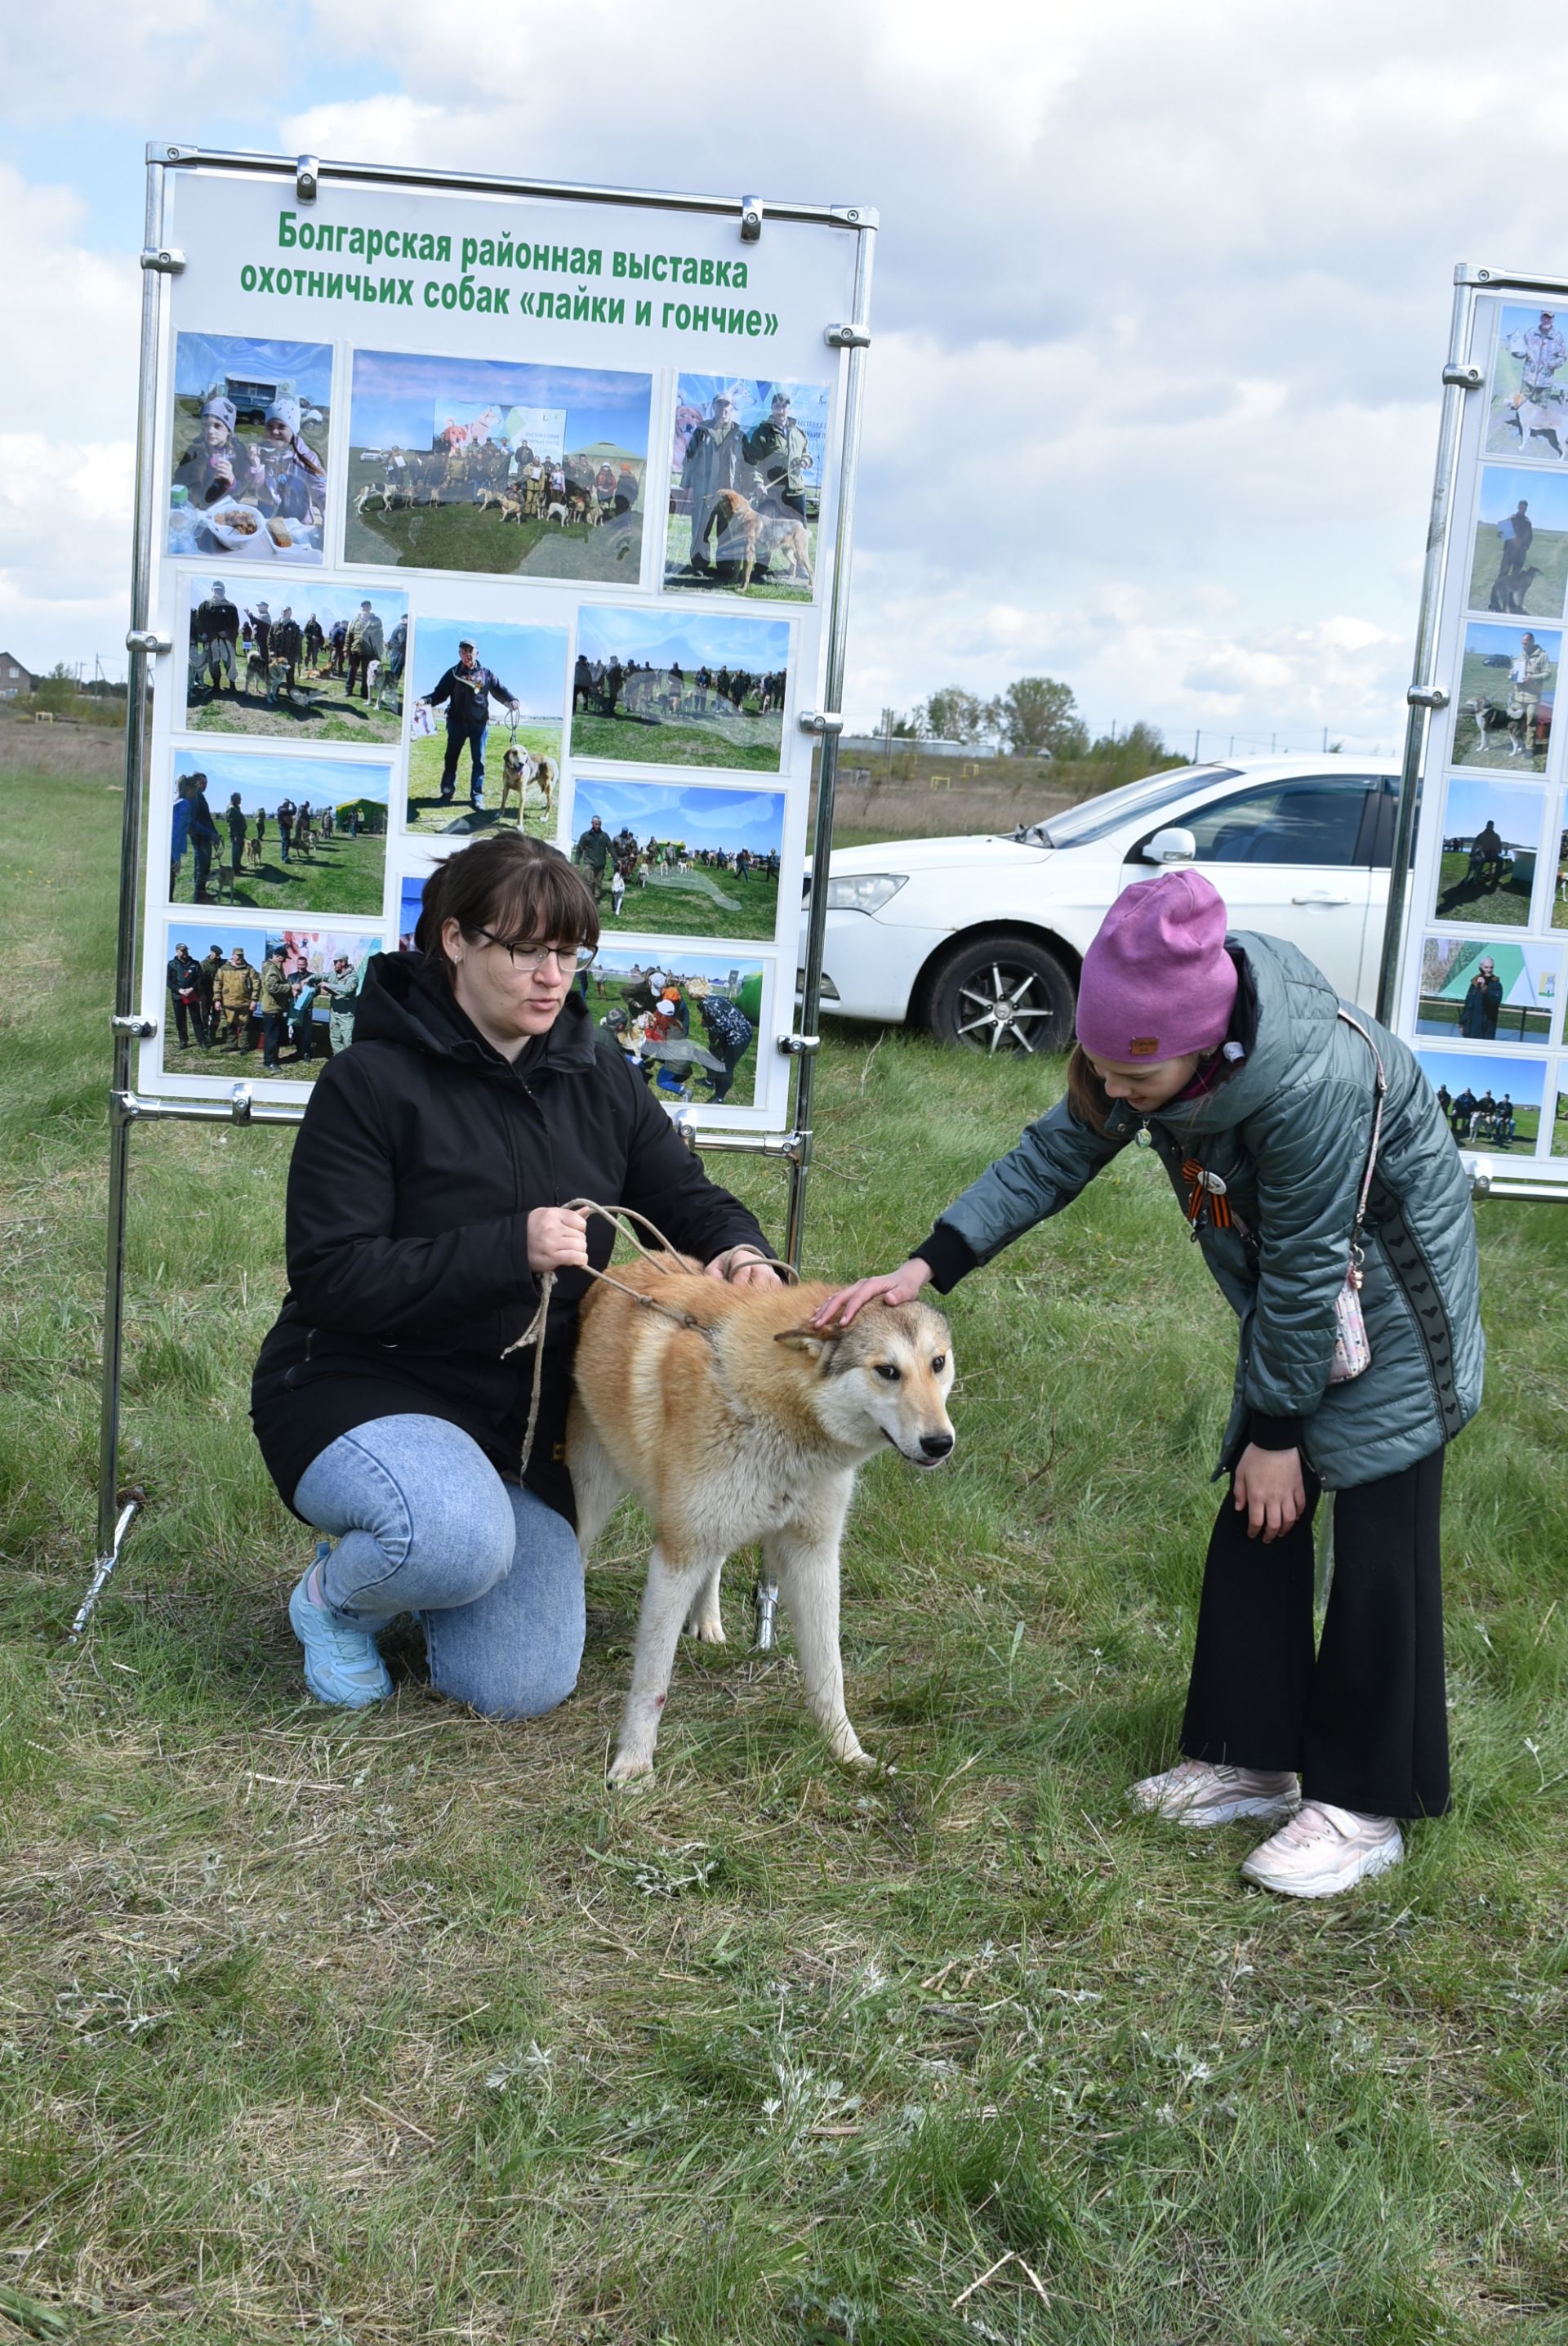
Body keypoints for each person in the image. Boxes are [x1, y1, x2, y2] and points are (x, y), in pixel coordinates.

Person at [817, 872, 1482, 1901]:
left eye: (1135, 1077)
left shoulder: (1313, 1085)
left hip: (1394, 1295)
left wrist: (1276, 1429)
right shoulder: (1147, 1052)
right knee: (1262, 1510)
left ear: (1206, 1045)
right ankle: (1246, 1758)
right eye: (1103, 1067)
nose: (1114, 1095)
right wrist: (929, 1264)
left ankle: (1363, 1802)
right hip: (1307, 1302)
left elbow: (1310, 1270)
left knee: (1379, 1521)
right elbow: (1052, 1155)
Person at [250, 832, 782, 1717]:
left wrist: (742, 1252)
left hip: (517, 1429)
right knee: (450, 1535)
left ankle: (439, 1543)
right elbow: (333, 1275)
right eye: (525, 950)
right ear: (454, 940)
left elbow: (684, 1195)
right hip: (358, 1390)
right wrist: (508, 1246)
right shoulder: (366, 1081)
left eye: (569, 953)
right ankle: (339, 1598)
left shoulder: (598, 1073)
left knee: (519, 1687)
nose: (551, 976)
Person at [425, 640, 519, 807]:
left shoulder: (487, 674)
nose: (467, 654)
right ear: (459, 654)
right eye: (463, 651)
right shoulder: (453, 673)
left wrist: (512, 700)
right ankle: (446, 794)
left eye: (471, 650)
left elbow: (500, 690)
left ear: (477, 653)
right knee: (451, 760)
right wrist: (425, 700)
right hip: (456, 724)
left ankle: (477, 796)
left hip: (479, 725)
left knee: (479, 761)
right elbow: (439, 694)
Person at [680, 390, 748, 577]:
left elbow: (746, 465)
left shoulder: (739, 435)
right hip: (705, 489)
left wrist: (748, 490)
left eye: (727, 405)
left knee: (727, 530)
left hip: (730, 493)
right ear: (714, 406)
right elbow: (689, 458)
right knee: (701, 528)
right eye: (719, 404)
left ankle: (726, 568)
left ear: (732, 408)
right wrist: (687, 486)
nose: (723, 409)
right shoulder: (702, 430)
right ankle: (699, 566)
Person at [174, 396, 264, 511]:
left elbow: (242, 488)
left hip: (224, 513)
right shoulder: (195, 450)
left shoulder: (238, 453)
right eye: (206, 425)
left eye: (217, 426)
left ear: (229, 430)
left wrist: (232, 482)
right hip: (196, 511)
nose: (210, 431)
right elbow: (180, 480)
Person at [742, 389, 813, 527]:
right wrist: (758, 483)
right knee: (767, 536)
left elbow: (806, 454)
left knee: (798, 536)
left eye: (784, 406)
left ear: (789, 409)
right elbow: (753, 463)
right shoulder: (761, 433)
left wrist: (805, 460)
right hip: (772, 493)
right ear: (772, 409)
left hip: (796, 493)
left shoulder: (799, 433)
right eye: (778, 406)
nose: (781, 410)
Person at [254, 395, 326, 523]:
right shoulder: (261, 454)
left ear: (294, 430)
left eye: (281, 427)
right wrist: (255, 467)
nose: (275, 432)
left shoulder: (306, 458)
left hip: (298, 525)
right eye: (269, 426)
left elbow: (321, 489)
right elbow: (254, 488)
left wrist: (327, 508)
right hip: (266, 522)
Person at [697, 989, 754, 1104]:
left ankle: (719, 1098)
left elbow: (725, 1026)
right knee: (714, 1056)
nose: (688, 994)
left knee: (727, 1067)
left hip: (739, 1036)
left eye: (689, 991)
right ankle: (709, 1082)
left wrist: (710, 1029)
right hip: (730, 1033)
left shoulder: (709, 1004)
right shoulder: (712, 998)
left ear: (695, 992)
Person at [1508, 635, 1549, 757]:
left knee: (1531, 722)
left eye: (1525, 643)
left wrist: (1532, 677)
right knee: (1515, 722)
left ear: (1532, 641)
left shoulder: (1542, 656)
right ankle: (1519, 744)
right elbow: (1514, 669)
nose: (1523, 646)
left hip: (1533, 697)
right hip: (1519, 696)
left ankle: (1529, 748)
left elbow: (1548, 674)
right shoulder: (1521, 655)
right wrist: (1511, 674)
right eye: (1522, 643)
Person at [197, 581, 241, 694]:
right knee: (213, 663)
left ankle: (232, 685)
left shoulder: (231, 606)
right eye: (216, 589)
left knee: (230, 663)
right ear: (212, 590)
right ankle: (216, 685)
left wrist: (228, 632)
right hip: (212, 640)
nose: (218, 591)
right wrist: (204, 634)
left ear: (224, 591)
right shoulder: (205, 605)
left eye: (220, 590)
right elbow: (199, 622)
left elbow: (236, 624)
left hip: (227, 640)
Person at [214, 944, 258, 1050]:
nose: (239, 958)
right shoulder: (224, 969)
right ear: (232, 955)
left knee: (245, 1026)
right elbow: (217, 984)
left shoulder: (249, 969)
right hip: (228, 1003)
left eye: (241, 956)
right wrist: (217, 1000)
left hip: (244, 1003)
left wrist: (254, 1000)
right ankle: (231, 1045)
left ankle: (243, 1046)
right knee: (230, 1025)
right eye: (237, 955)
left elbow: (256, 984)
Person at [318, 952, 363, 1055]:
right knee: (335, 1038)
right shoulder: (334, 974)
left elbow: (347, 990)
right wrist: (310, 978)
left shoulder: (353, 977)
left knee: (348, 1039)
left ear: (343, 962)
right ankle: (339, 1059)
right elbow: (324, 975)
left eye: (335, 962)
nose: (334, 964)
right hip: (335, 1013)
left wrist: (329, 985)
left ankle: (352, 1060)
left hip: (346, 1015)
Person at [166, 942, 203, 1051]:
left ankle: (201, 1040)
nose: (185, 953)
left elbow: (200, 978)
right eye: (182, 951)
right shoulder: (171, 964)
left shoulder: (195, 963)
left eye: (186, 950)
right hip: (178, 996)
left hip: (192, 994)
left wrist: (192, 988)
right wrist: (179, 990)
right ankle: (183, 1040)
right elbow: (168, 981)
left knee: (196, 1018)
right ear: (177, 951)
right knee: (180, 1019)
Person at [345, 601, 384, 700]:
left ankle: (364, 693)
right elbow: (349, 636)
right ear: (360, 608)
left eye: (367, 606)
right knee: (352, 672)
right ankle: (348, 690)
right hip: (355, 651)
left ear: (370, 608)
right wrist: (346, 649)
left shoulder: (377, 621)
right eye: (363, 607)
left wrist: (379, 652)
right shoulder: (354, 621)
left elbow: (379, 638)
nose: (365, 608)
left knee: (366, 674)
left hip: (369, 652)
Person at [1459, 955, 1503, 1039]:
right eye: (1486, 967)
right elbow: (1468, 1004)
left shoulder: (1496, 984)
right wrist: (1462, 1023)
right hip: (1471, 1024)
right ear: (1481, 968)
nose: (1489, 970)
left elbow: (1495, 1002)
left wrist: (1484, 988)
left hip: (1486, 1026)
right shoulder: (1475, 983)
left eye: (1491, 967)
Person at [573, 814, 612, 902]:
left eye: (599, 824)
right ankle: (588, 899)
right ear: (592, 823)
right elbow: (580, 849)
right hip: (589, 863)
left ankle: (596, 898)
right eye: (596, 824)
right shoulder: (586, 835)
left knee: (598, 882)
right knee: (589, 881)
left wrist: (617, 860)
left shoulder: (605, 836)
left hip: (601, 863)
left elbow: (611, 848)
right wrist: (576, 863)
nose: (598, 826)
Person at [224, 792, 248, 885]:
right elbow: (231, 823)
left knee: (240, 850)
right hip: (236, 834)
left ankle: (238, 865)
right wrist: (235, 835)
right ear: (234, 799)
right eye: (239, 798)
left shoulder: (236, 808)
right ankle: (235, 869)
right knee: (236, 851)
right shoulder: (232, 808)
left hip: (240, 833)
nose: (241, 800)